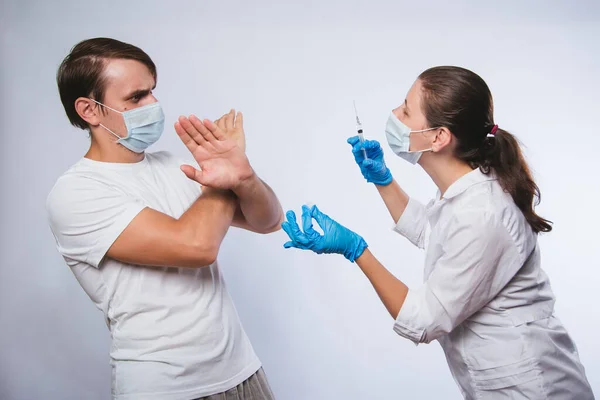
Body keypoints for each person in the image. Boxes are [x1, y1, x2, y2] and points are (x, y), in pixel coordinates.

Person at [282, 66, 594, 399]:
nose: (394, 115)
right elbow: (437, 233)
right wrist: (382, 180)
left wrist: (356, 250)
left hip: (532, 388)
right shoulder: (468, 189)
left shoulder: (484, 214)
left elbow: (423, 319)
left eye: (405, 109)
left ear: (439, 137)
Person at [46, 38, 282, 400]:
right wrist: (220, 179)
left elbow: (268, 220)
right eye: (136, 97)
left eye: (153, 92)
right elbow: (196, 246)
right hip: (168, 388)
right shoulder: (76, 193)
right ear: (89, 111)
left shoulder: (173, 166)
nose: (154, 104)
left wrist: (243, 176)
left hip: (243, 372)